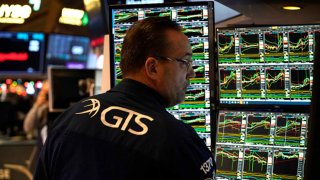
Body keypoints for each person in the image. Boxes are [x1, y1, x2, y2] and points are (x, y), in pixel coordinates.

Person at [34, 17, 216, 180]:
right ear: (152, 68)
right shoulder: (176, 140)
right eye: (185, 62)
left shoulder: (69, 118)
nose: (191, 73)